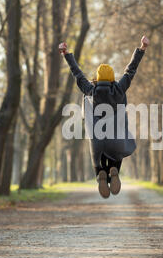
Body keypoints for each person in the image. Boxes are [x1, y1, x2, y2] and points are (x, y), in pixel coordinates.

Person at [59, 36, 150, 198]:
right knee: (116, 154)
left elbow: (77, 74)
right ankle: (114, 170)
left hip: (97, 140)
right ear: (112, 78)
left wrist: (67, 54)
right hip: (116, 140)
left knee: (97, 158)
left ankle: (101, 173)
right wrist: (141, 48)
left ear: (98, 78)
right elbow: (130, 70)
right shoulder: (120, 89)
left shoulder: (90, 90)